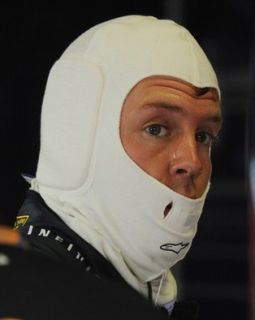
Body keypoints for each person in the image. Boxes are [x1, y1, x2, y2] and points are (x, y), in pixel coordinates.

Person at [12, 15, 221, 319]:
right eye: (157, 129)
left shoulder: (128, 295)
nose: (192, 161)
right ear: (79, 138)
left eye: (204, 136)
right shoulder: (22, 299)